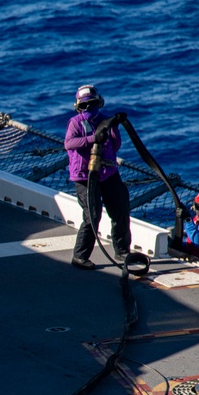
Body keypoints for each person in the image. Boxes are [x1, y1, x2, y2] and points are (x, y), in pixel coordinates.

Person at [65, 85, 132, 270]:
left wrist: (114, 127)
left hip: (108, 173)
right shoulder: (75, 123)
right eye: (84, 106)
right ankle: (80, 256)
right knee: (92, 216)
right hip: (85, 177)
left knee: (120, 211)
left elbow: (115, 146)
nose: (88, 109)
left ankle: (122, 251)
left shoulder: (105, 121)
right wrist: (92, 139)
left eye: (92, 104)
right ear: (78, 107)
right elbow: (69, 143)